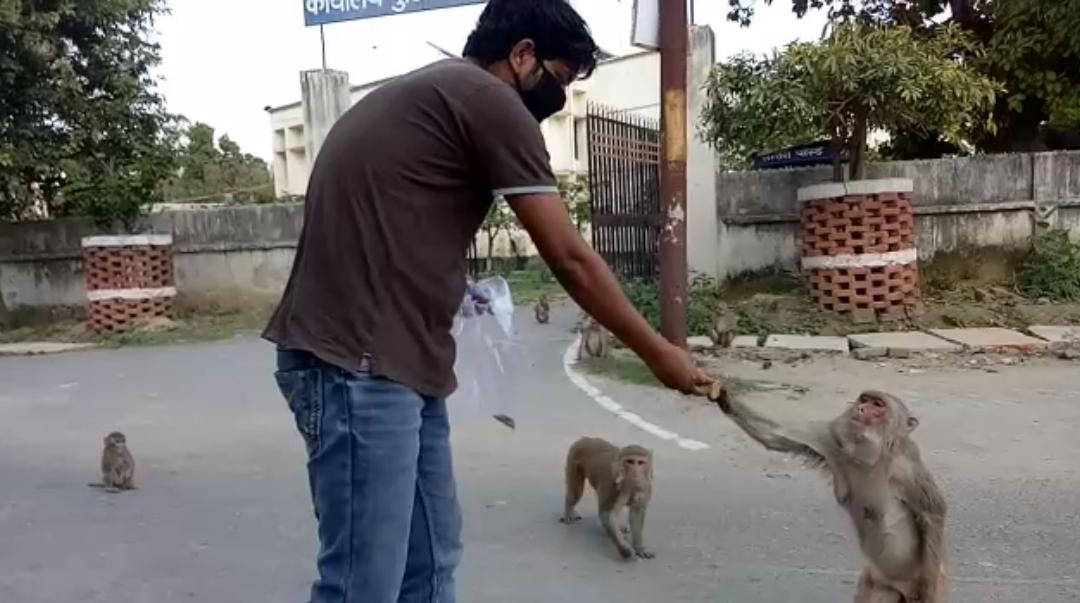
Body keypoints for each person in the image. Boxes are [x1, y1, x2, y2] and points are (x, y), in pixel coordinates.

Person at [263, 0, 714, 601]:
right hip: (357, 368)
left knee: (430, 565)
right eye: (560, 77)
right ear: (522, 54)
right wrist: (659, 353)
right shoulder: (488, 100)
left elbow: (393, 226)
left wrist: (453, 289)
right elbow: (571, 259)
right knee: (361, 585)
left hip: (396, 367)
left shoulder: (429, 96)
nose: (559, 95)